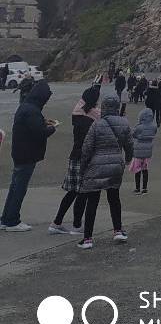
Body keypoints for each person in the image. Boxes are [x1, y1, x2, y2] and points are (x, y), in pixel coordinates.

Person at [77, 94, 133, 248]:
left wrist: (83, 168)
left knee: (92, 202)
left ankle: (87, 238)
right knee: (114, 199)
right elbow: (129, 145)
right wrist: (128, 159)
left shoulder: (97, 124)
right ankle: (118, 230)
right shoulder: (124, 123)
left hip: (96, 166)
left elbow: (87, 148)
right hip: (115, 166)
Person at [1, 80, 57, 231]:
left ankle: (6, 218)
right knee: (19, 188)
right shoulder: (32, 110)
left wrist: (43, 121)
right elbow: (40, 133)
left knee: (15, 187)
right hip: (26, 155)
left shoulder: (26, 107)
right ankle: (12, 221)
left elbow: (33, 126)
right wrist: (53, 128)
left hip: (20, 153)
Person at [49, 84, 101, 235]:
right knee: (82, 192)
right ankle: (77, 225)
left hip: (74, 156)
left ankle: (56, 222)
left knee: (72, 191)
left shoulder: (78, 112)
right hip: (85, 158)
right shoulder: (91, 119)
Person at [130, 107, 157, 194]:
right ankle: (144, 188)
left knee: (137, 169)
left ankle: (137, 188)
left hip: (138, 150)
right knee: (145, 169)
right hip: (148, 150)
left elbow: (133, 134)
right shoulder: (154, 127)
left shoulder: (139, 127)